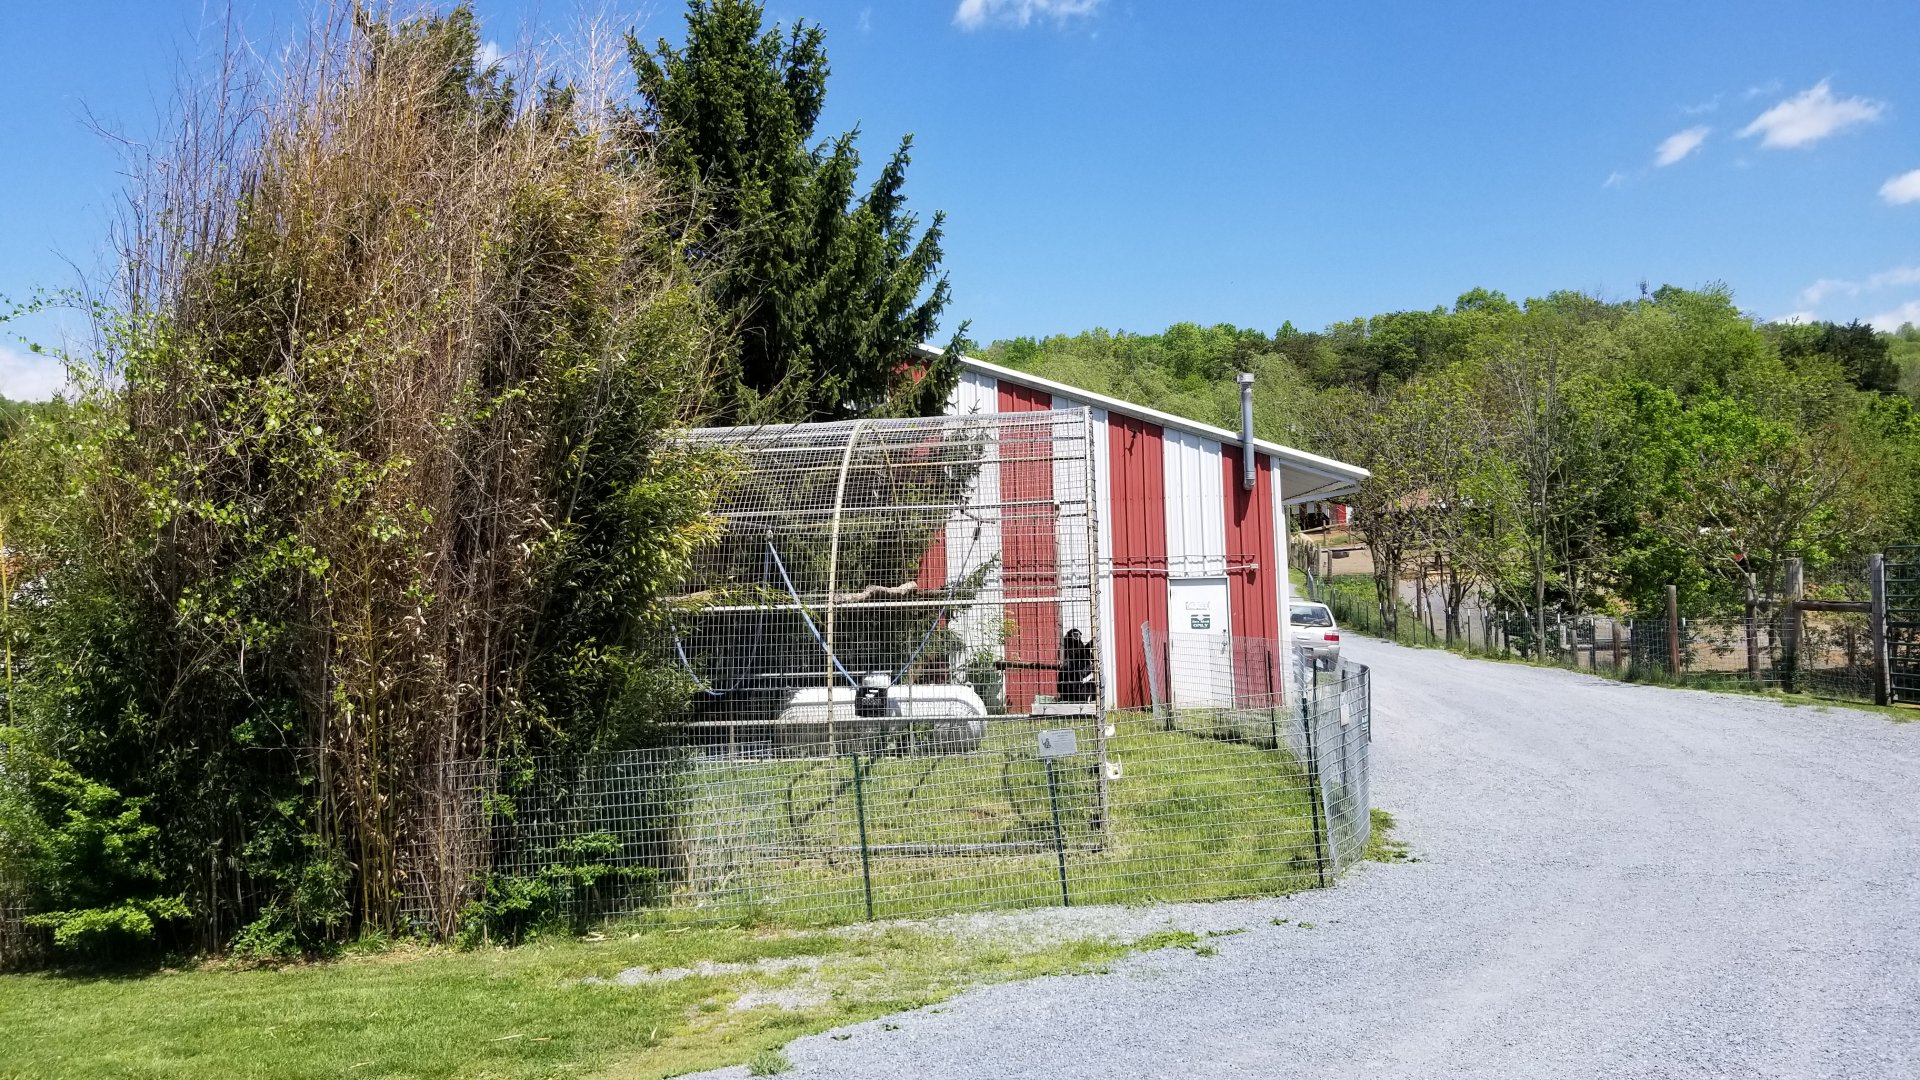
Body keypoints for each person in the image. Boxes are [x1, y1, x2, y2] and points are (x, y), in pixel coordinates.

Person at [1057, 629, 1096, 702]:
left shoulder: (1079, 645)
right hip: (1070, 687)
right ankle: (1086, 701)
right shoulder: (1066, 644)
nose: (1076, 637)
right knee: (1093, 682)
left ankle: (1087, 700)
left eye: (1077, 635)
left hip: (1075, 685)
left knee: (1093, 682)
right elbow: (1078, 653)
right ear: (1070, 635)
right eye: (1074, 635)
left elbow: (1084, 652)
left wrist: (1094, 663)